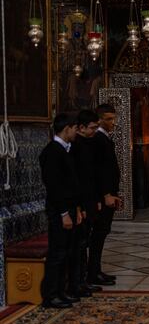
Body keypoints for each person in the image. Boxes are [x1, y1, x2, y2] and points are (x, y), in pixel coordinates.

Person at [39, 113, 82, 308]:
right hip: (59, 211)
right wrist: (64, 213)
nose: (76, 132)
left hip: (70, 208)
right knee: (57, 254)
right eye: (75, 128)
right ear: (67, 129)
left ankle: (61, 291)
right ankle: (50, 295)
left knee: (67, 252)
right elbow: (55, 187)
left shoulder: (66, 150)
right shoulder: (52, 152)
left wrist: (77, 209)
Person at [87, 103, 120, 286]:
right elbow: (99, 171)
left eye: (113, 118)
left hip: (109, 193)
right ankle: (92, 272)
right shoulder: (98, 139)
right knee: (98, 233)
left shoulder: (105, 138)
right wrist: (106, 193)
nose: (112, 122)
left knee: (103, 232)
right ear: (99, 120)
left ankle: (96, 270)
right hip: (103, 195)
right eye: (108, 119)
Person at [71, 109, 102, 295]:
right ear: (80, 128)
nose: (94, 131)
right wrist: (80, 207)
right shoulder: (76, 147)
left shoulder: (88, 144)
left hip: (89, 201)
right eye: (92, 128)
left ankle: (83, 279)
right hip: (81, 203)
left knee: (85, 242)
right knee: (80, 244)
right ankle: (78, 282)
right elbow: (78, 180)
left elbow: (92, 176)